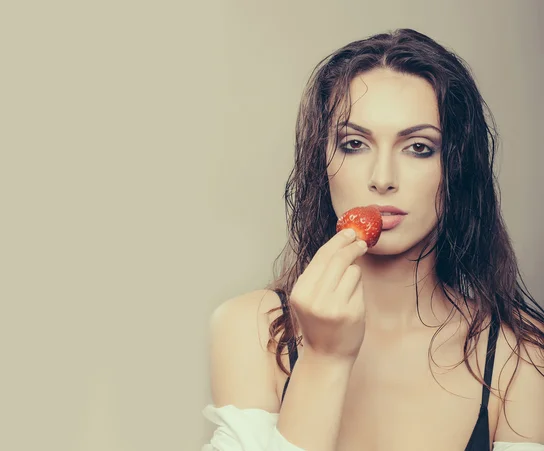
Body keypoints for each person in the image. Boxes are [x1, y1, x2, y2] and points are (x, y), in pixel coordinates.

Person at [202, 28, 544, 451]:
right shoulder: (251, 328)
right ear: (321, 163)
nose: (382, 179)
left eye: (418, 147)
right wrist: (325, 360)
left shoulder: (519, 355)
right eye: (354, 144)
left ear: (457, 167)